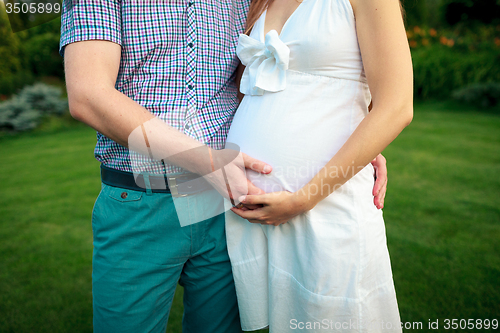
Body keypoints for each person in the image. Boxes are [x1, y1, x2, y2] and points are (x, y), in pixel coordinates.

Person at [59, 0, 388, 332]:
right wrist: (207, 160)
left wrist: (352, 144)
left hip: (227, 207)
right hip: (143, 200)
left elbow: (265, 77)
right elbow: (88, 94)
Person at [225, 0, 413, 332]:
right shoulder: (260, 1)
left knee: (333, 319)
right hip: (252, 209)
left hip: (326, 202)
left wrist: (306, 197)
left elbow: (397, 106)